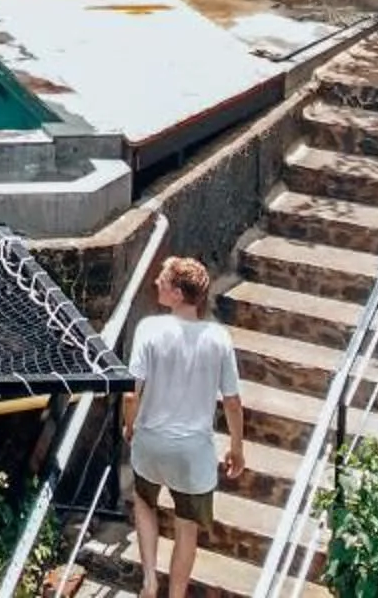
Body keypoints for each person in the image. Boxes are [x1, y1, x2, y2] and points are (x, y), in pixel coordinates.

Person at [120, 255, 245, 598]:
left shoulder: (149, 329)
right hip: (194, 452)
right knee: (186, 529)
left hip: (151, 443)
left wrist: (130, 428)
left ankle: (148, 580)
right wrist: (237, 447)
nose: (156, 282)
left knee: (144, 502)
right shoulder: (219, 338)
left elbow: (132, 394)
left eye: (162, 279)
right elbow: (232, 401)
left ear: (177, 292)